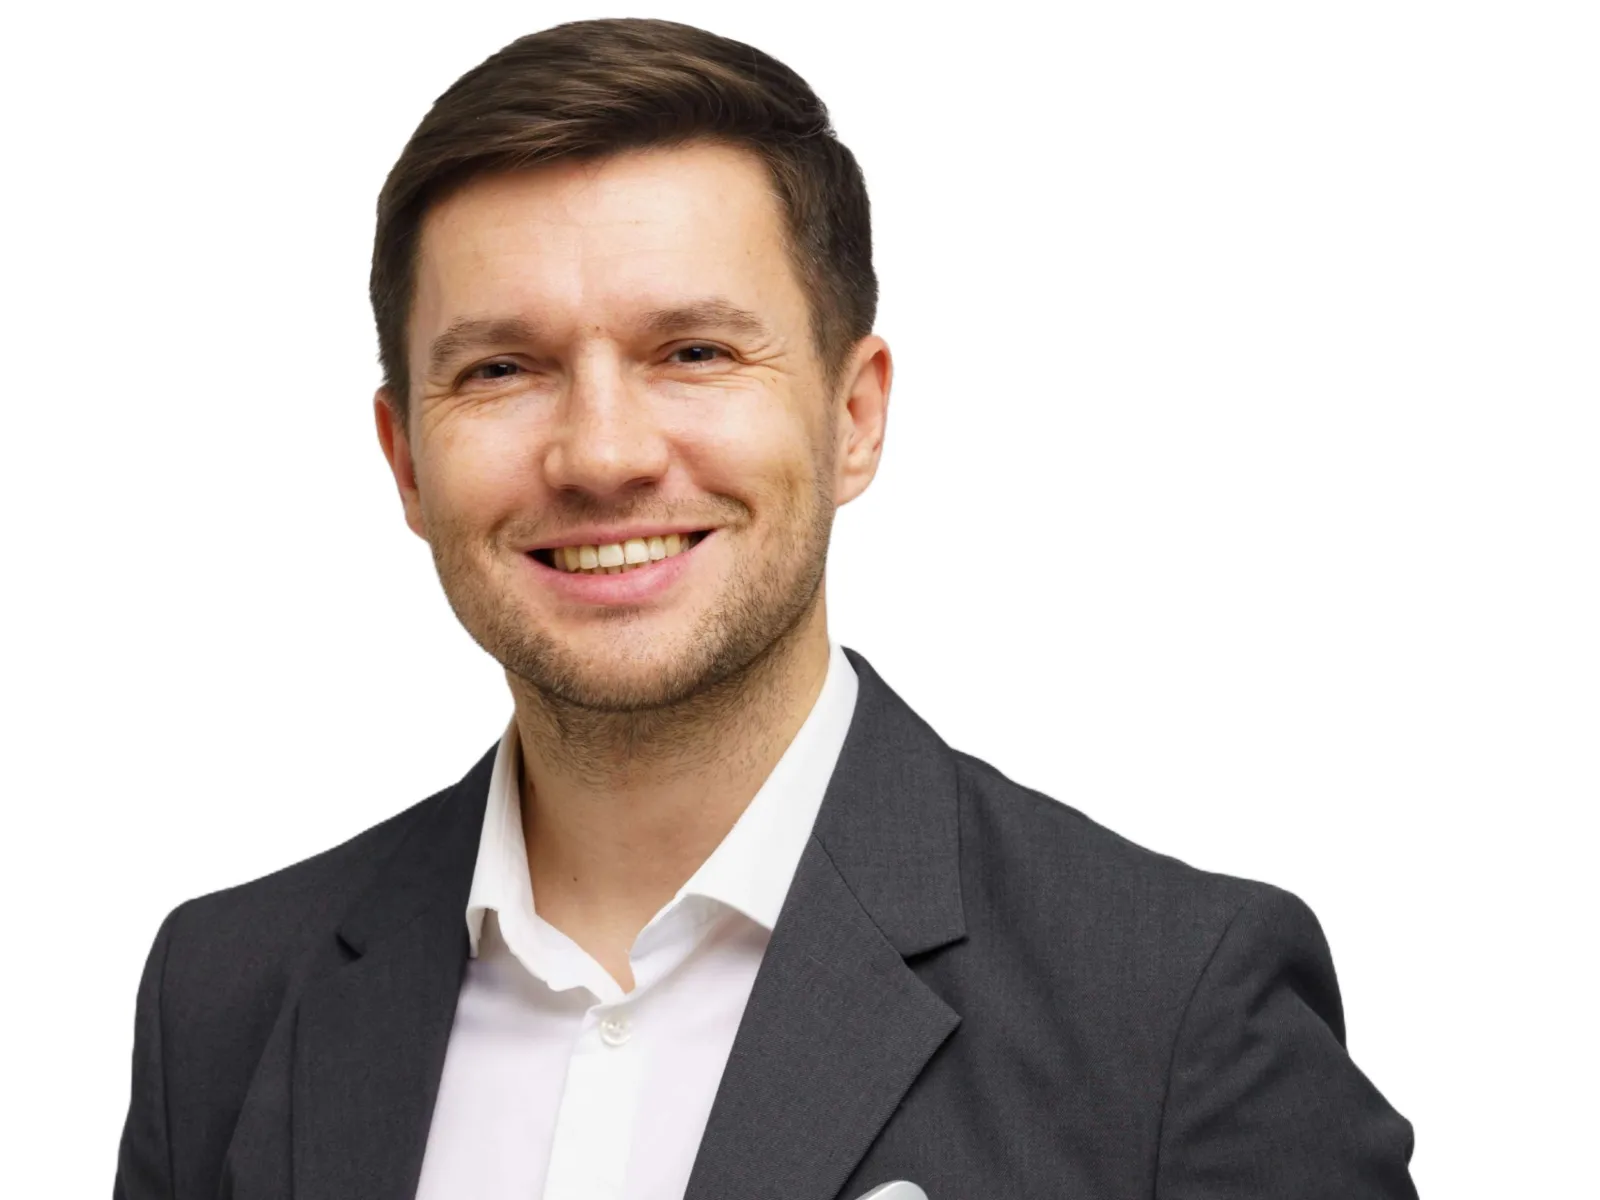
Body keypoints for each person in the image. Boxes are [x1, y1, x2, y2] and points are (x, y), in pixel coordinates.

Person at [113, 17, 1417, 1200]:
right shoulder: (224, 997)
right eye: (503, 369)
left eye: (694, 352)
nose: (602, 454)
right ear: (405, 460)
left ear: (855, 417)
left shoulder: (1174, 1008)